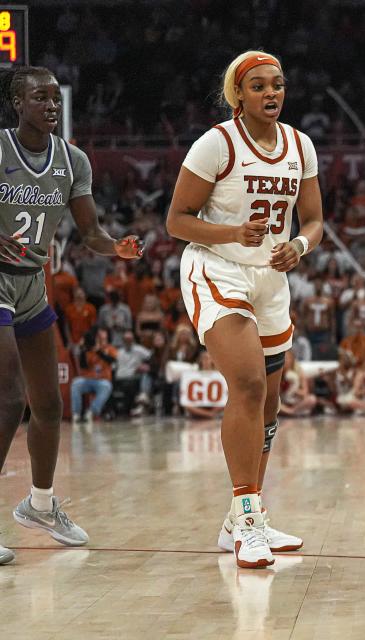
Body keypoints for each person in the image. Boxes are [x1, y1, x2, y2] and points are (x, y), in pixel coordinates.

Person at [165, 50, 324, 569]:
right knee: (250, 384)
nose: (270, 93)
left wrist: (298, 248)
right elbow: (177, 220)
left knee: (270, 405)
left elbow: (314, 221)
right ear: (239, 94)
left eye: (276, 84)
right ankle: (248, 516)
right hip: (217, 268)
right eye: (258, 86)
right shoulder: (216, 143)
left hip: (270, 278)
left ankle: (241, 516)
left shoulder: (301, 145)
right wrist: (232, 232)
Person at [0, 66, 142, 565]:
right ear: (18, 103)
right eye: (40, 98)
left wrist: (116, 248)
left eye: (55, 98)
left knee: (49, 404)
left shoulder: (72, 159)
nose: (52, 106)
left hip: (32, 284)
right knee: (10, 396)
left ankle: (39, 505)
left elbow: (90, 232)